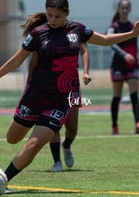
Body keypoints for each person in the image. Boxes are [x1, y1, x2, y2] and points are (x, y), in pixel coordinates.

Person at [0, 0, 139, 193]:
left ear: (67, 13)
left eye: (57, 16)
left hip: (61, 100)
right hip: (35, 96)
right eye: (49, 15)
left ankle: (3, 181)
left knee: (33, 145)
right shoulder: (38, 33)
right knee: (12, 138)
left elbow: (106, 39)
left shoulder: (78, 30)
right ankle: (38, 133)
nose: (53, 20)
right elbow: (16, 60)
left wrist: (133, 34)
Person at [27, 44, 91, 172]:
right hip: (49, 87)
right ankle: (57, 162)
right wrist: (30, 83)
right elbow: (33, 59)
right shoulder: (44, 35)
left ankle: (66, 145)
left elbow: (84, 50)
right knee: (53, 125)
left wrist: (85, 72)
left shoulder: (75, 30)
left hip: (70, 86)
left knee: (72, 129)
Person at [107, 0, 139, 135]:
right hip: (118, 66)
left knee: (134, 95)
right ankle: (114, 126)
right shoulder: (114, 27)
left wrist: (131, 57)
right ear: (118, 9)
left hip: (132, 66)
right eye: (122, 8)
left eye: (126, 8)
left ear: (129, 10)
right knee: (117, 96)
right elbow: (111, 43)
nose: (124, 10)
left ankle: (138, 123)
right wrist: (124, 55)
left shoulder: (133, 26)